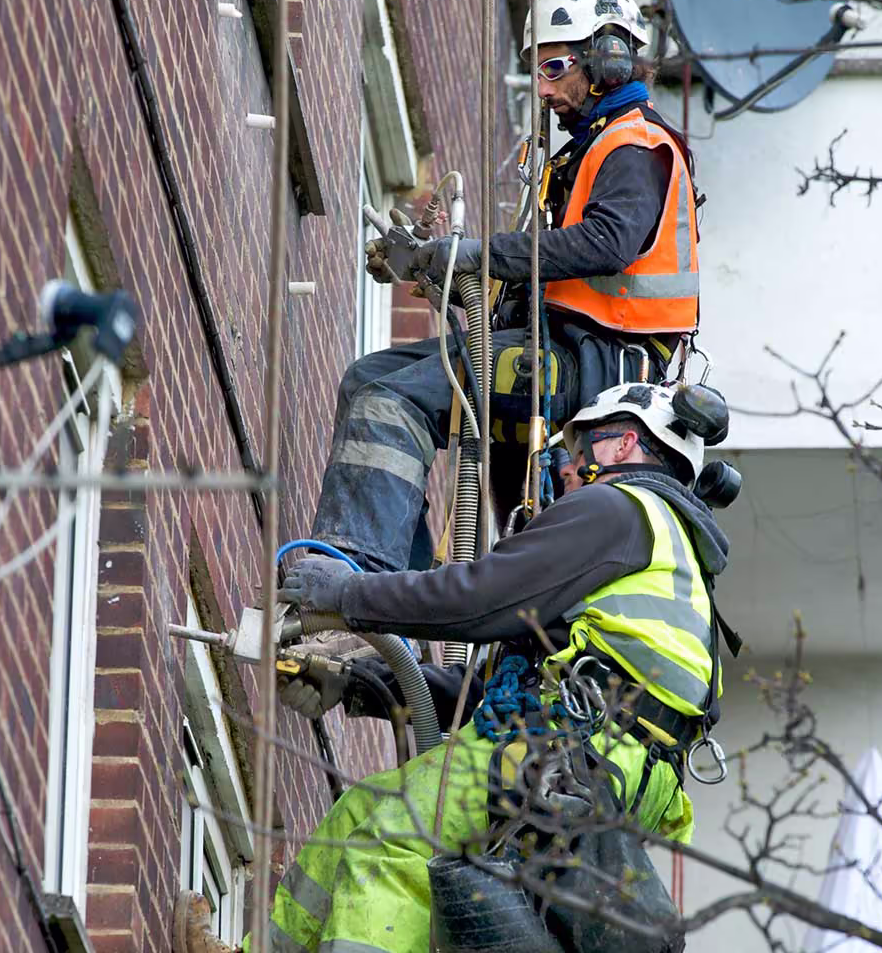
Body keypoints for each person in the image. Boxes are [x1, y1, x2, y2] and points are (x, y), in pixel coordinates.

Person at [244, 381, 735, 953]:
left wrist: (350, 594)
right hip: (593, 758)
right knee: (362, 808)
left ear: (623, 445)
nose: (569, 470)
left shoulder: (617, 510)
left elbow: (477, 598)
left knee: (396, 838)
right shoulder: (665, 561)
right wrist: (355, 684)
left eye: (580, 453)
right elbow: (493, 691)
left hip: (573, 754)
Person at [314, 0, 704, 574]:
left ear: (607, 57)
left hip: (600, 363)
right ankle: (394, 588)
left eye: (553, 69)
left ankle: (359, 585)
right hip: (562, 347)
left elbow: (609, 242)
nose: (543, 92)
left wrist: (477, 255)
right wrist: (450, 276)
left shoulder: (635, 145)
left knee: (392, 399)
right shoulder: (581, 152)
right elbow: (551, 277)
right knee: (368, 378)